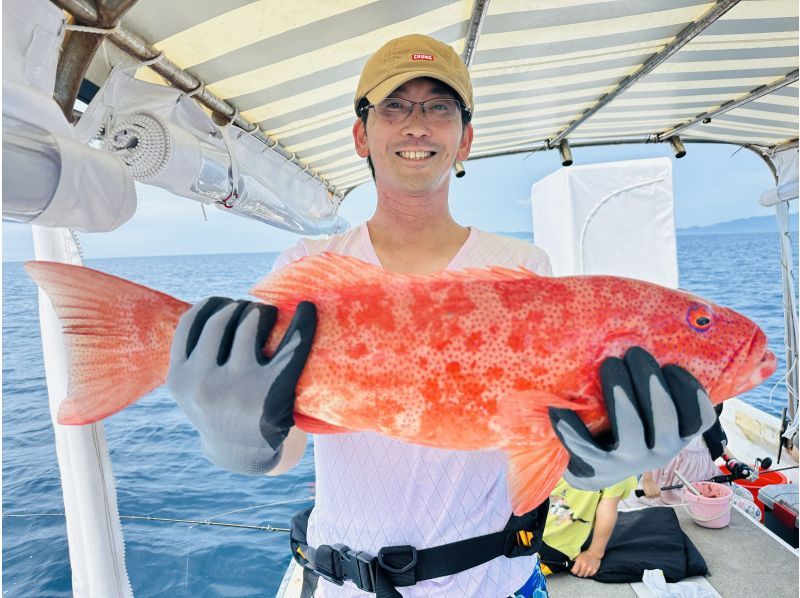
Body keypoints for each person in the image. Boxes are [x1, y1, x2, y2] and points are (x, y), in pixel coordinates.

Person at [166, 34, 718, 598]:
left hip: (494, 583)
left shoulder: (523, 265)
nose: (417, 124)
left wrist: (594, 459)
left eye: (439, 107)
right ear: (362, 133)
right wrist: (245, 441)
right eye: (395, 106)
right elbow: (285, 451)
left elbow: (533, 432)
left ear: (465, 138)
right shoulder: (310, 266)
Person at [539, 477, 637, 578]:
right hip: (555, 547)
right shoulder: (619, 466)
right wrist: (594, 554)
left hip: (530, 532)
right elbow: (607, 509)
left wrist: (594, 554)